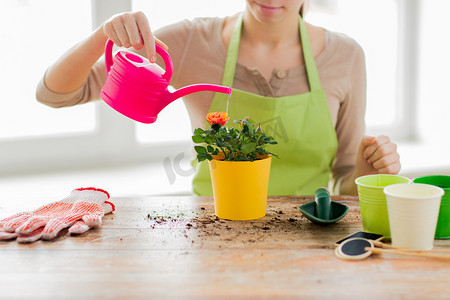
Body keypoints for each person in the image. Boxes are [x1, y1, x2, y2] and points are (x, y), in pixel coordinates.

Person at [36, 0, 401, 196]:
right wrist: (104, 34)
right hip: (212, 235)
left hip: (310, 243)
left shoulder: (346, 56)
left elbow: (345, 182)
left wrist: (367, 175)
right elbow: (54, 94)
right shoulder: (190, 43)